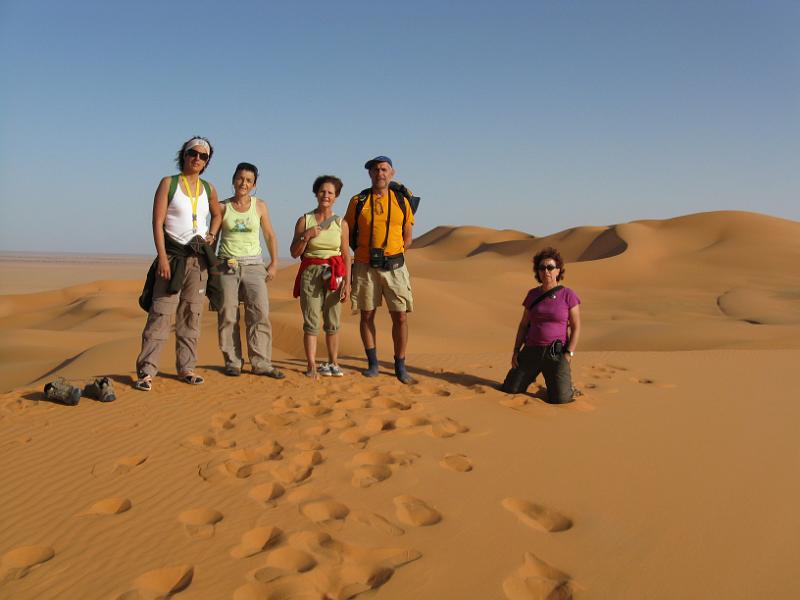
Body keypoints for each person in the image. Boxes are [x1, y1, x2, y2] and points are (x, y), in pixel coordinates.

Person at [135, 136, 222, 391]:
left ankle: (187, 368)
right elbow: (157, 222)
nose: (197, 158)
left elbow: (217, 215)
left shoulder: (209, 188)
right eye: (193, 153)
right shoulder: (168, 183)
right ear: (184, 154)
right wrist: (162, 257)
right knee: (161, 313)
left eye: (203, 156)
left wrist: (212, 234)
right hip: (173, 258)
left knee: (191, 314)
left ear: (207, 162)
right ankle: (147, 371)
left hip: (199, 261)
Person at [343, 156, 415, 384]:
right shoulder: (358, 201)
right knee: (367, 315)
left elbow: (408, 236)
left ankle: (400, 365)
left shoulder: (402, 200)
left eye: (384, 169)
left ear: (392, 173)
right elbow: (347, 231)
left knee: (400, 316)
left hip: (395, 267)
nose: (380, 173)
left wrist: (395, 253)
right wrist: (360, 253)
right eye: (375, 170)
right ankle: (372, 363)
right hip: (365, 266)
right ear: (370, 174)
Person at [216, 162, 285, 379]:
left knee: (259, 314)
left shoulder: (260, 206)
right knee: (228, 314)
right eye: (240, 178)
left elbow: (270, 235)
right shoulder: (222, 207)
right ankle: (233, 362)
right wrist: (211, 267)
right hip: (227, 265)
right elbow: (213, 237)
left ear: (254, 185)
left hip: (254, 266)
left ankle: (261, 363)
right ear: (233, 180)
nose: (243, 183)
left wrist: (274, 263)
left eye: (249, 180)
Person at [501, 247, 581, 403]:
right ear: (537, 272)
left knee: (561, 399)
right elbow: (524, 325)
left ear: (558, 270)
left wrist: (568, 353)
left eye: (550, 267)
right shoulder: (532, 295)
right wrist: (516, 351)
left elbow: (576, 326)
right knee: (510, 389)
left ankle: (568, 389)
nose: (546, 271)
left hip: (556, 352)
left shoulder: (568, 295)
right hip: (531, 350)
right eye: (542, 268)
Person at [290, 175, 351, 377]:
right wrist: (306, 236)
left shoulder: (341, 223)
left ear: (336, 197)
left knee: (333, 320)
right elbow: (294, 252)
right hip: (311, 272)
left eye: (330, 192)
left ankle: (333, 363)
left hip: (335, 272)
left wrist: (347, 283)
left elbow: (346, 255)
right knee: (312, 320)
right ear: (316, 193)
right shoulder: (304, 220)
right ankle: (311, 366)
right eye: (322, 191)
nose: (326, 195)